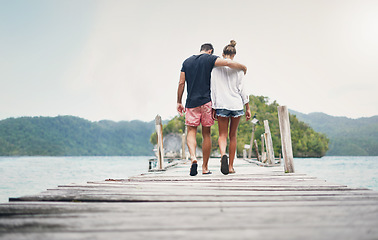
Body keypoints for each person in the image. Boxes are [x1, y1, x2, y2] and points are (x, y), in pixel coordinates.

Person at [177, 43, 247, 176]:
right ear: (210, 51)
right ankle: (204, 167)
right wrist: (243, 67)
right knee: (206, 134)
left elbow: (181, 83)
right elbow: (228, 63)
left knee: (191, 131)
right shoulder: (209, 58)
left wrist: (178, 101)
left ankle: (193, 158)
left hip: (191, 102)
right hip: (206, 102)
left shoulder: (186, 62)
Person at [211, 40, 251, 175]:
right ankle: (231, 167)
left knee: (222, 134)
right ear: (234, 55)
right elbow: (243, 90)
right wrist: (248, 108)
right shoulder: (239, 70)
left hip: (221, 104)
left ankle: (223, 154)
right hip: (236, 104)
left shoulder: (215, 69)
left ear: (223, 54)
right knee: (233, 135)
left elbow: (213, 89)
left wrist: (213, 107)